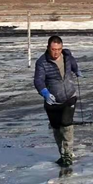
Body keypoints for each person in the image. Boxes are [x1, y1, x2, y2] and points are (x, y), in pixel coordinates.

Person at [34, 35, 81, 166]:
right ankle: (62, 153)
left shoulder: (67, 56)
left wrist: (77, 70)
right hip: (53, 101)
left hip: (69, 96)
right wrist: (44, 92)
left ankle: (68, 154)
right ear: (48, 48)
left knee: (67, 125)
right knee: (57, 128)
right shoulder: (42, 62)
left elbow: (73, 64)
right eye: (53, 49)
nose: (56, 52)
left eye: (59, 49)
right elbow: (38, 80)